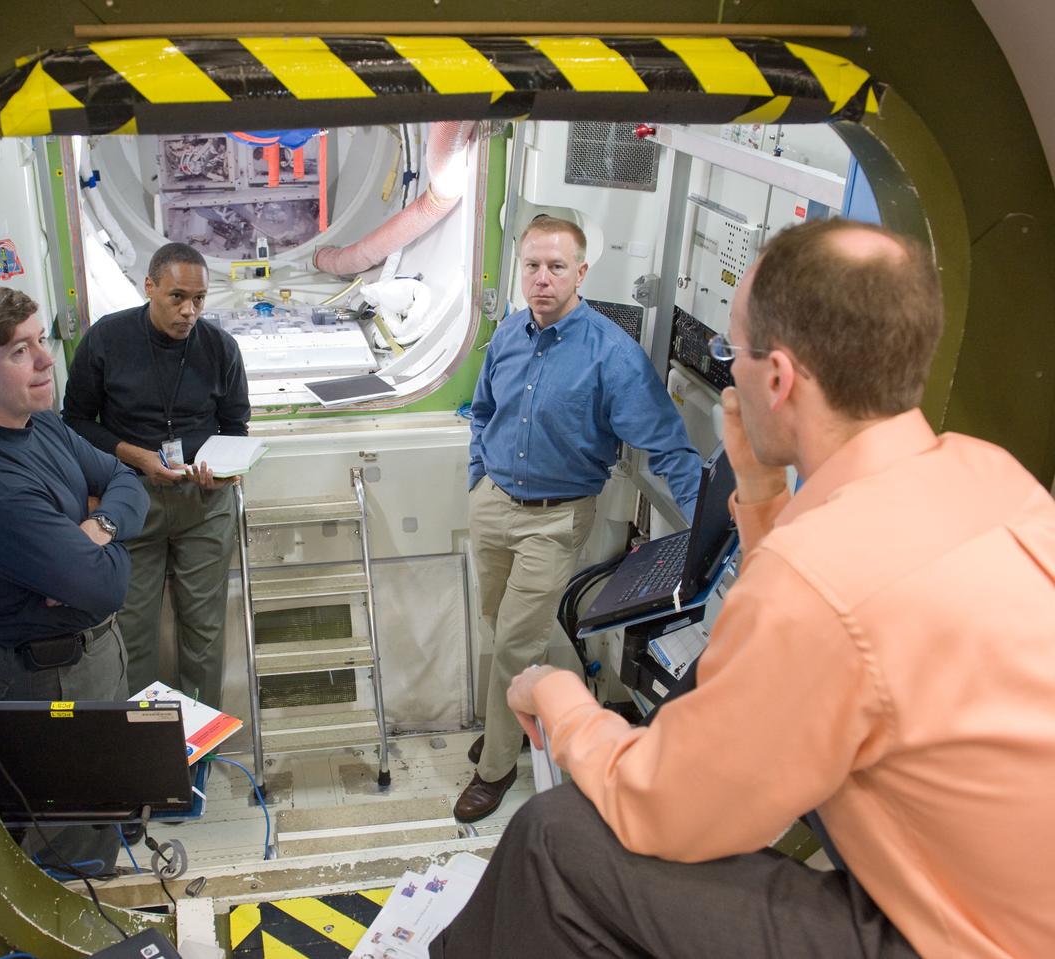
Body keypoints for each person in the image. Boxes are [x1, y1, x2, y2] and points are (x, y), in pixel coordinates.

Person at [434, 219, 1055, 958]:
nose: (728, 373)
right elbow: (821, 606)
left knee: (554, 835)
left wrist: (555, 694)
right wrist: (759, 491)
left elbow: (657, 805)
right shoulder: (988, 473)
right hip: (1001, 900)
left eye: (732, 354)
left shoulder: (815, 578)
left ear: (779, 378)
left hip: (960, 942)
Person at [458, 216, 702, 823]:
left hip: (556, 518)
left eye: (557, 267)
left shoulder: (611, 354)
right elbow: (483, 410)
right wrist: (477, 477)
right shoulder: (509, 334)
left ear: (581, 273)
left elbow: (669, 447)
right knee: (503, 624)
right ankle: (582, 711)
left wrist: (714, 533)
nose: (542, 280)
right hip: (493, 503)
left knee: (515, 640)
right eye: (533, 267)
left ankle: (496, 764)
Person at [0, 284, 149, 874]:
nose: (48, 359)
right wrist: (103, 551)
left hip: (93, 654)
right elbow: (108, 586)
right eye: (20, 351)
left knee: (103, 809)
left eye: (40, 341)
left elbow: (128, 480)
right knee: (74, 857)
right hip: (51, 681)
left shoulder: (40, 423)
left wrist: (95, 528)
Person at [63, 242, 250, 707]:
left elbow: (236, 426)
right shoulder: (108, 339)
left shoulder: (220, 348)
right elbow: (77, 423)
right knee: (132, 628)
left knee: (204, 631)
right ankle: (148, 751)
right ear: (149, 287)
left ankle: (199, 750)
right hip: (130, 499)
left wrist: (223, 471)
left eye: (200, 300)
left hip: (202, 502)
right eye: (177, 297)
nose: (190, 312)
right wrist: (136, 457)